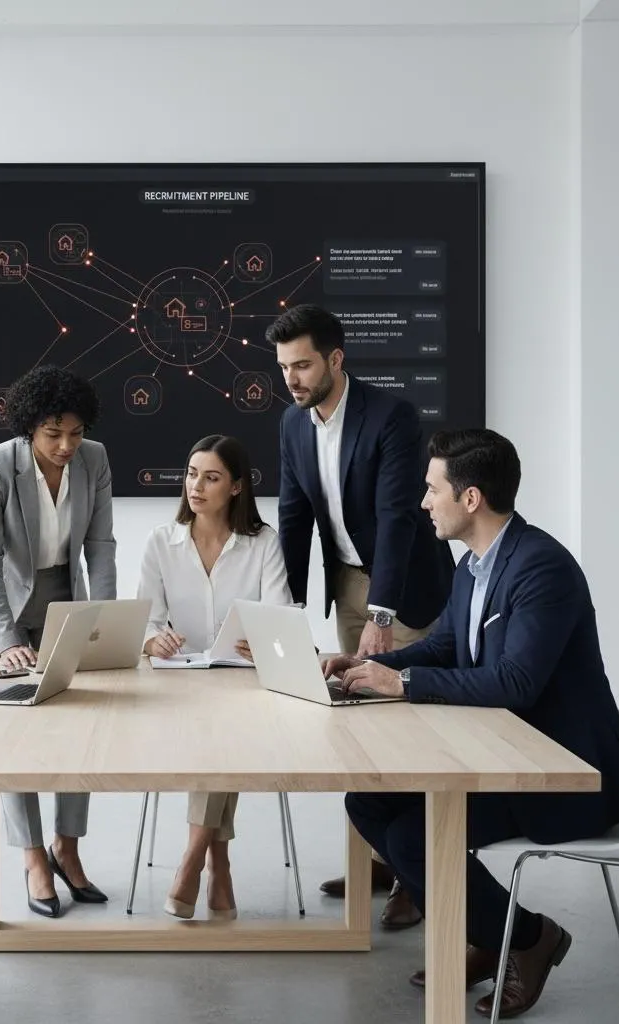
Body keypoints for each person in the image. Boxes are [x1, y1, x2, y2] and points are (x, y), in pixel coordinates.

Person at [324, 429, 619, 1019]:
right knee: (367, 801)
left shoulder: (541, 568)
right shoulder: (473, 564)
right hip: (508, 751)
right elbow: (446, 645)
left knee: (412, 837)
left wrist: (404, 684)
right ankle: (489, 934)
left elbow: (516, 682)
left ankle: (530, 938)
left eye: (432, 489)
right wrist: (371, 668)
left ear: (470, 499)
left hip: (563, 771)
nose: (423, 502)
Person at [267, 303, 455, 926]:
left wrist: (382, 613)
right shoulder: (293, 423)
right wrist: (287, 609)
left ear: (335, 359)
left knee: (411, 730)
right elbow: (294, 515)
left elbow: (399, 517)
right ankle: (382, 854)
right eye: (284, 367)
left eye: (302, 365)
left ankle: (416, 873)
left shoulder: (390, 415)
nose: (291, 379)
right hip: (347, 582)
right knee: (364, 724)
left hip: (401, 590)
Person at [0, 365, 116, 918]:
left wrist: (102, 622)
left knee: (79, 725)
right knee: (14, 733)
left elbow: (101, 546)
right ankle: (33, 855)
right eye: (53, 433)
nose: (67, 446)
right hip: (1, 606)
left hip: (64, 600)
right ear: (29, 428)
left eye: (76, 433)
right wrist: (5, 642)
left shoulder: (95, 460)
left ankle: (67, 846)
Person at [138, 434, 293, 920]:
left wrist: (264, 642)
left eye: (210, 478)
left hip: (242, 682)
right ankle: (217, 861)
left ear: (236, 487)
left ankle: (193, 858)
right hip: (178, 685)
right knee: (216, 736)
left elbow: (280, 616)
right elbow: (145, 619)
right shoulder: (161, 542)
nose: (196, 487)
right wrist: (153, 641)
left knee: (223, 732)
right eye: (191, 474)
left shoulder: (262, 543)